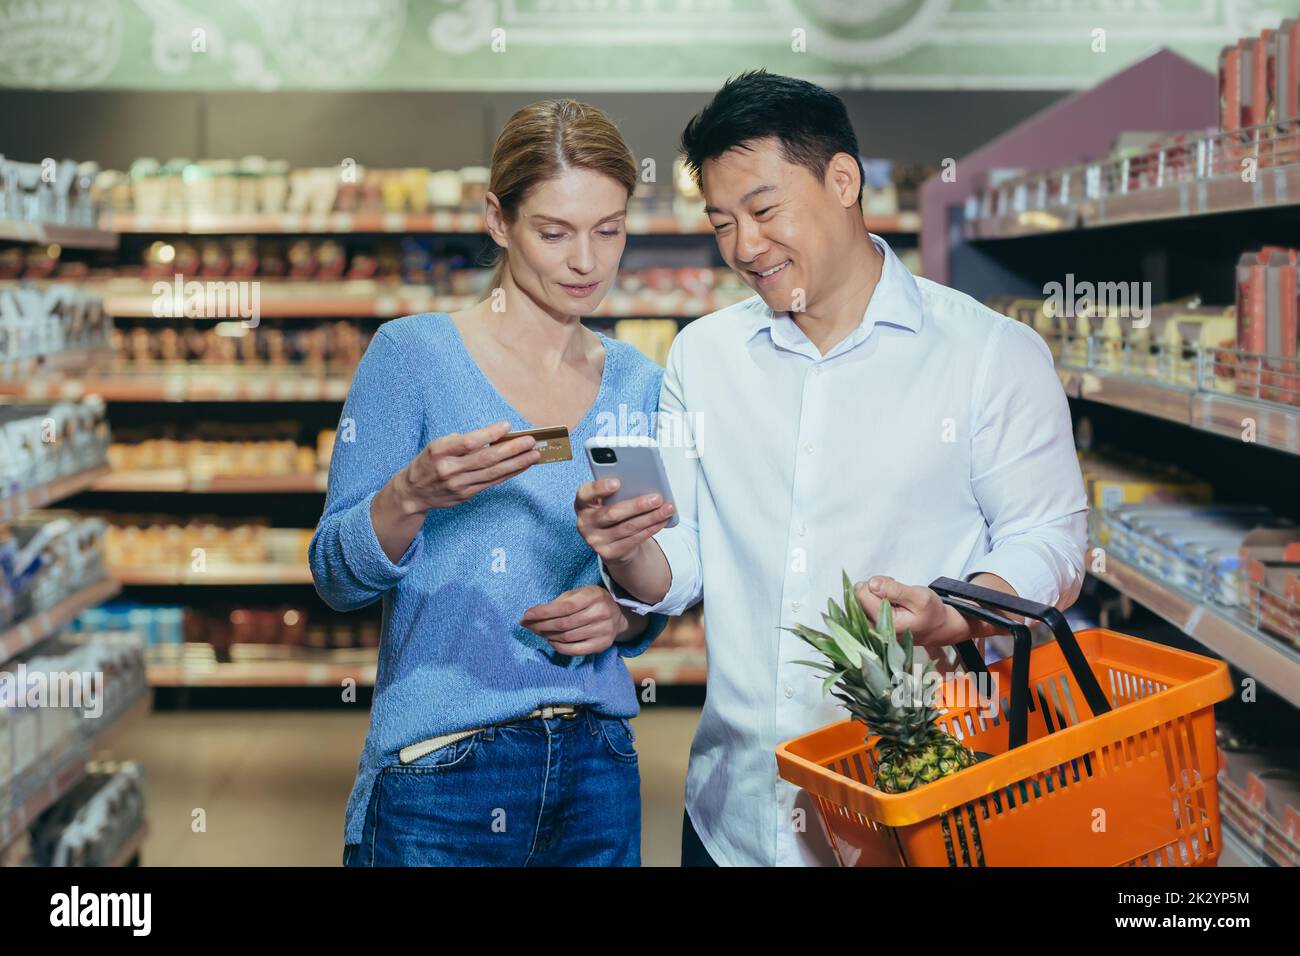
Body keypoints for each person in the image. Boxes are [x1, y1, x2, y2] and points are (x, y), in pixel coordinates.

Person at [574, 71, 1087, 866]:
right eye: (720, 223)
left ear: (842, 180)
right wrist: (625, 546)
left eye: (765, 210)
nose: (745, 247)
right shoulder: (704, 358)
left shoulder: (989, 355)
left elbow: (1049, 537)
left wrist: (959, 613)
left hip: (914, 814)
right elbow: (678, 568)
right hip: (734, 817)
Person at [310, 99, 668, 867]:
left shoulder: (636, 382)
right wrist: (409, 495)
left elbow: (648, 585)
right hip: (442, 770)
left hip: (598, 764)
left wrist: (623, 615)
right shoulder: (412, 358)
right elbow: (334, 576)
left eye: (609, 230)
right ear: (497, 221)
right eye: (554, 232)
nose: (587, 262)